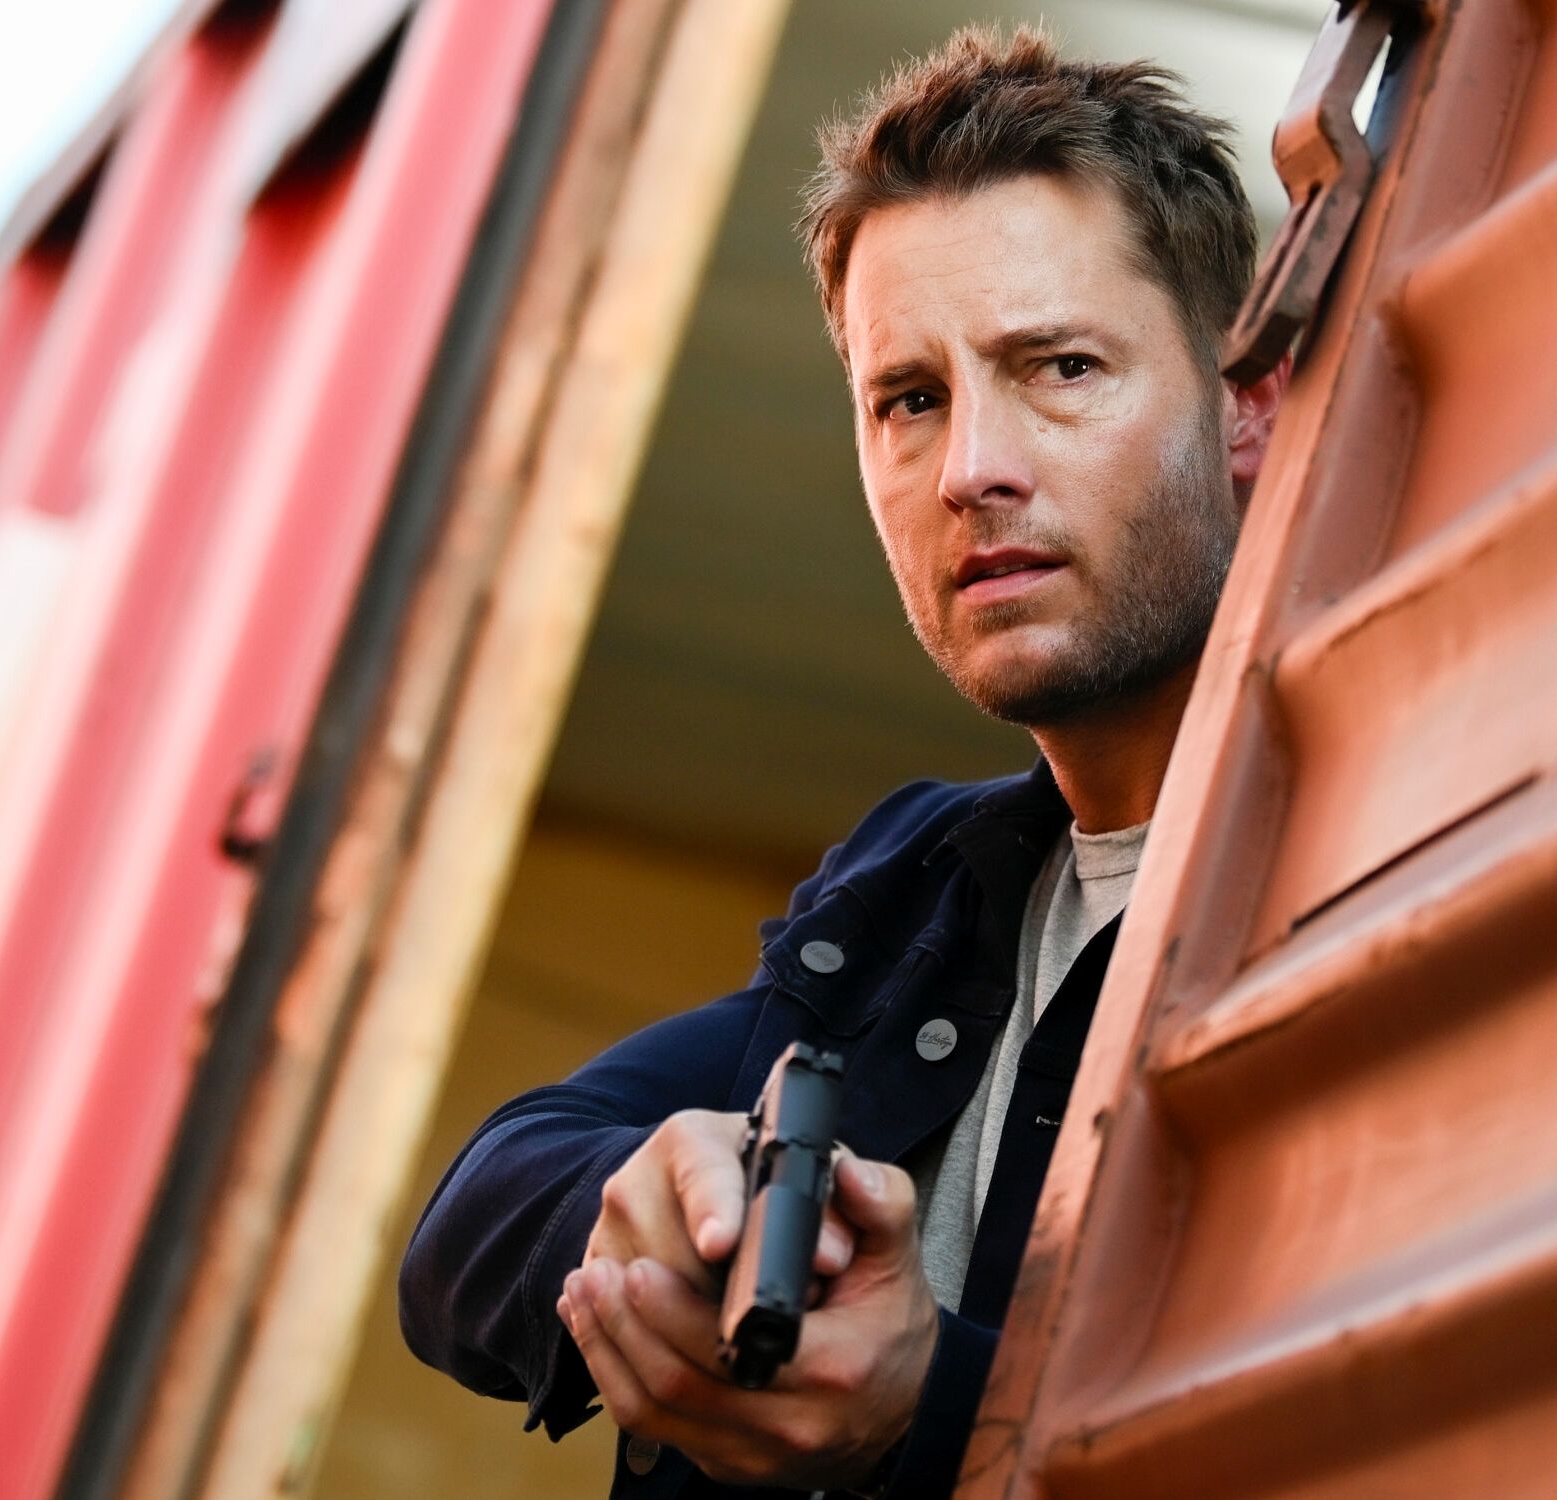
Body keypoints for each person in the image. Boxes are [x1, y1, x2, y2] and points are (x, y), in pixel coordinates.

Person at [396, 25, 1288, 1497]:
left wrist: (923, 1412)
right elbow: (470, 1219)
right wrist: (661, 1212)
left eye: (1059, 366)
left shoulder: (1368, 852)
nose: (967, 470)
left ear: (1242, 401)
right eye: (911, 399)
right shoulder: (914, 894)